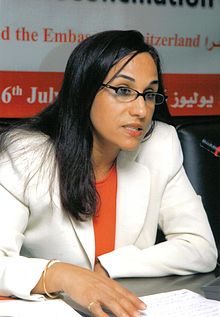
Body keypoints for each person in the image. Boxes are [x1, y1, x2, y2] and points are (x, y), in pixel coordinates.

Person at [0, 30, 217, 317]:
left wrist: (110, 266)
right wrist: (65, 275)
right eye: (124, 90)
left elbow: (200, 247)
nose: (141, 110)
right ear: (84, 90)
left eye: (150, 94)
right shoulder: (26, 154)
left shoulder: (159, 144)